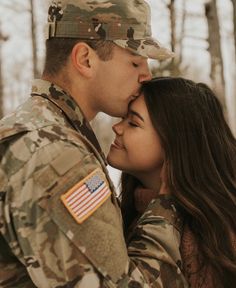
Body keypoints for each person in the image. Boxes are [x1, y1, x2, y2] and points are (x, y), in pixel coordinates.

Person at [0, 0, 189, 287]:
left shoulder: (36, 131)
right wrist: (168, 203)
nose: (146, 76)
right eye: (136, 61)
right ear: (85, 59)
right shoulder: (56, 155)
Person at [107, 77, 236, 288]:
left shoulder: (207, 237)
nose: (117, 128)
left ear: (173, 142)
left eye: (133, 122)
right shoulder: (125, 210)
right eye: (123, 118)